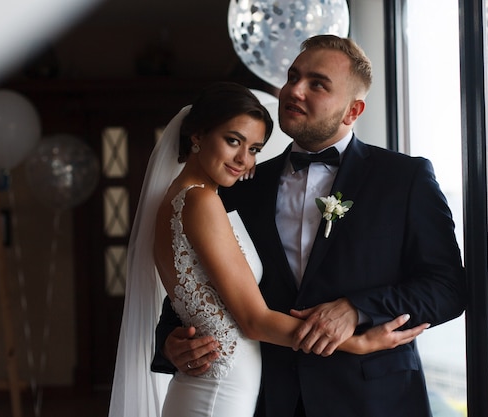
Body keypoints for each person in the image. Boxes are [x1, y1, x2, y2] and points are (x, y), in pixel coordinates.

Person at [152, 35, 467, 417]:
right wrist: (172, 342)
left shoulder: (405, 178)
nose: (293, 91)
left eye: (317, 84)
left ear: (353, 111)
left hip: (373, 401)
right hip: (269, 399)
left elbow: (447, 288)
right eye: (293, 76)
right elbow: (199, 282)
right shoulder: (239, 185)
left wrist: (358, 309)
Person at [108, 81, 429, 417]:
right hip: (221, 389)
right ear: (198, 136)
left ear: (353, 108)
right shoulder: (202, 201)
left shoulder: (183, 199)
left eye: (254, 149)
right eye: (233, 141)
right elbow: (253, 319)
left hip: (231, 385)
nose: (243, 159)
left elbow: (199, 291)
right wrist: (359, 343)